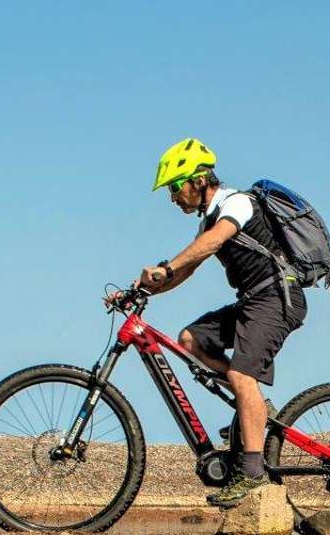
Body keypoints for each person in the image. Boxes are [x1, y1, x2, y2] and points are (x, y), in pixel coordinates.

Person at [113, 138, 308, 509]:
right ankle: (252, 407)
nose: (173, 198)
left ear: (199, 180)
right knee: (190, 340)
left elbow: (213, 242)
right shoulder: (208, 217)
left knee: (241, 375)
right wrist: (142, 290)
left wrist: (166, 267)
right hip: (253, 301)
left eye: (175, 188)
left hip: (277, 298)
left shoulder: (236, 203)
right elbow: (188, 266)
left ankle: (251, 474)